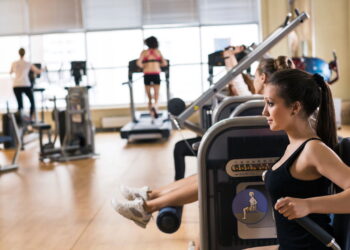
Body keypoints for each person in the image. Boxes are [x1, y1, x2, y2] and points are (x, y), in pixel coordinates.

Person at [111, 56, 296, 229]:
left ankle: (147, 207)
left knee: (211, 175)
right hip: (256, 158)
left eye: (254, 76)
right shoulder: (266, 102)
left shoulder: (263, 104)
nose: (252, 80)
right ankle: (150, 197)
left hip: (263, 164)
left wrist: (229, 58)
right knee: (206, 170)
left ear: (262, 77)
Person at [136, 36, 168, 118]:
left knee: (149, 96)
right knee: (156, 95)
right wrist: (157, 64)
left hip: (147, 74)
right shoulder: (158, 52)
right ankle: (155, 107)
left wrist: (145, 66)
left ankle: (151, 113)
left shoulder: (144, 52)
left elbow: (138, 63)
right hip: (156, 73)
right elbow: (164, 63)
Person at [10, 48, 42, 121]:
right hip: (25, 85)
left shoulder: (14, 63)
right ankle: (30, 118)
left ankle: (20, 121)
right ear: (24, 53)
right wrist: (44, 69)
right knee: (32, 102)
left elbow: (10, 72)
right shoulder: (27, 63)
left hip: (16, 85)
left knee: (20, 105)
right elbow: (38, 71)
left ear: (19, 53)